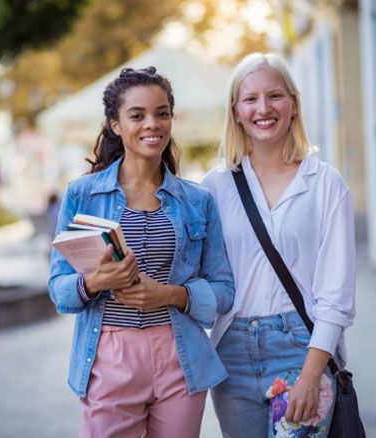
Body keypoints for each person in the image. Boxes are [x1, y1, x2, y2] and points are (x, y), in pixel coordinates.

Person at [48, 67, 234, 438]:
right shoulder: (82, 195)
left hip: (179, 356)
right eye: (137, 115)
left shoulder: (198, 200)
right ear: (115, 124)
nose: (153, 124)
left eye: (162, 113)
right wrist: (95, 281)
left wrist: (171, 294)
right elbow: (59, 290)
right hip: (109, 355)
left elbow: (224, 291)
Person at [201, 53, 357, 437]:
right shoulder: (214, 187)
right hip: (231, 351)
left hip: (302, 348)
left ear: (293, 104)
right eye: (250, 99)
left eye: (275, 96)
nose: (263, 108)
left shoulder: (325, 184)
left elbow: (336, 293)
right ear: (235, 111)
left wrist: (312, 371)